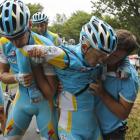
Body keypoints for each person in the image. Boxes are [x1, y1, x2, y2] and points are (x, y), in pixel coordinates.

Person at [22, 16, 117, 140]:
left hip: (94, 129)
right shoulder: (67, 57)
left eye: (105, 57)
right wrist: (40, 55)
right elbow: (26, 50)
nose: (102, 61)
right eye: (99, 56)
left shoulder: (98, 60)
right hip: (71, 131)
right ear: (84, 47)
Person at [0, 0, 58, 139]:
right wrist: (16, 77)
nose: (15, 43)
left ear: (29, 25)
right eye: (10, 38)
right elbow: (2, 75)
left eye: (19, 36)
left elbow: (50, 93)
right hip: (22, 99)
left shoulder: (45, 45)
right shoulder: (3, 43)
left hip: (45, 103)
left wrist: (36, 67)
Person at [89, 29, 140, 140]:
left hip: (111, 133)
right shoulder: (99, 60)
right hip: (89, 128)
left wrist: (102, 93)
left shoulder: (129, 79)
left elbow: (123, 114)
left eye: (115, 56)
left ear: (125, 56)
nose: (107, 57)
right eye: (109, 51)